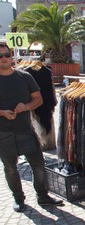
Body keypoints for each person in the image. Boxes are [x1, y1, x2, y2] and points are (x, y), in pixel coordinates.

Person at [0, 42, 63, 212]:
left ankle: (43, 196)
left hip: (25, 130)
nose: (4, 59)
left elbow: (38, 99)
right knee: (11, 169)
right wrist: (3, 112)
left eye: (6, 55)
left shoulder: (24, 77)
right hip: (3, 133)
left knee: (39, 166)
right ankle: (18, 199)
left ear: (11, 56)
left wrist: (25, 107)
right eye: (0, 56)